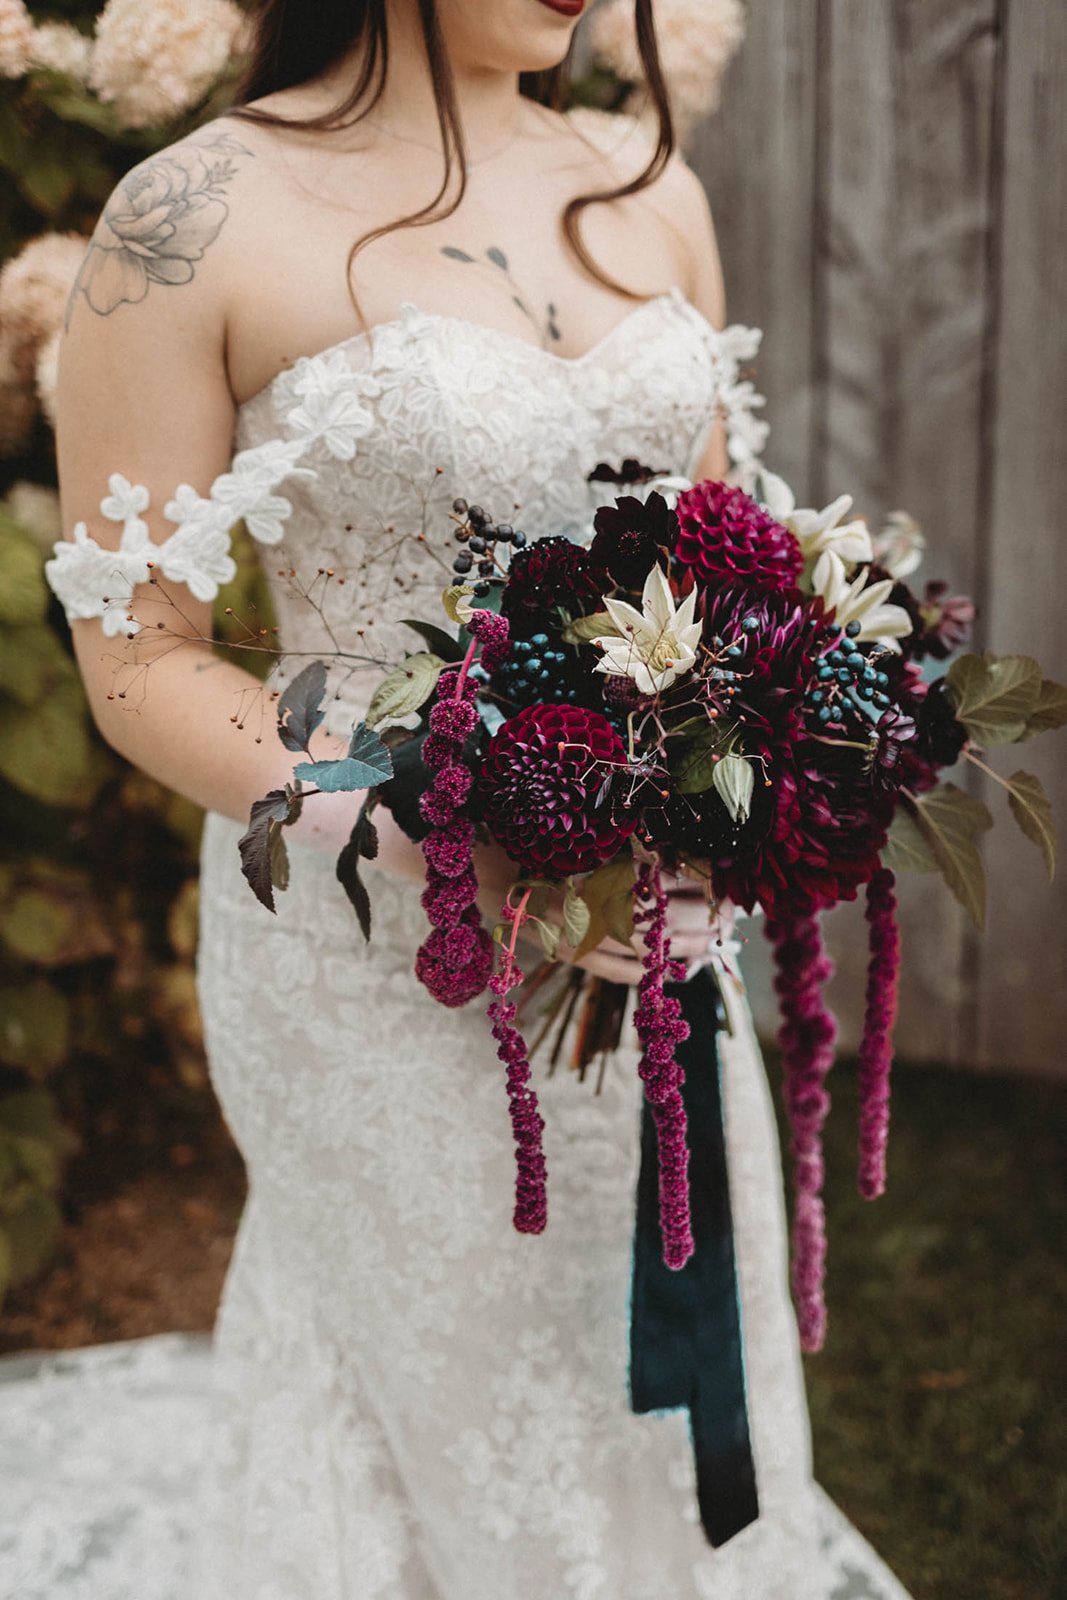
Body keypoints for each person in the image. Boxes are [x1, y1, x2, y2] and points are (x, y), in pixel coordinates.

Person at [40, 2, 913, 1595]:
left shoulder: (651, 190)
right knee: (425, 1375)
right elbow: (134, 655)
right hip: (375, 954)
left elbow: (724, 581)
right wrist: (447, 843)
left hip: (650, 950)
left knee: (632, 1346)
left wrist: (730, 801)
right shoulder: (192, 213)